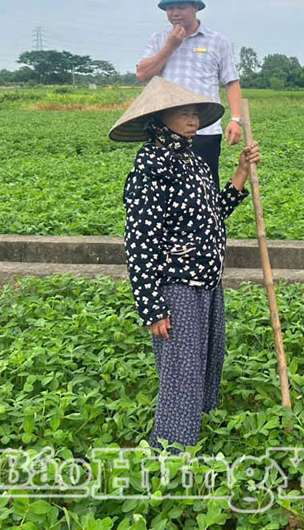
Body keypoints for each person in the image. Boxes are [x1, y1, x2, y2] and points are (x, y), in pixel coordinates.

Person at [108, 76, 261, 451]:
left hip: (207, 282)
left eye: (195, 113)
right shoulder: (150, 166)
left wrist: (240, 172)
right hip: (176, 287)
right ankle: (170, 456)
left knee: (207, 361)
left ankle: (196, 438)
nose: (193, 120)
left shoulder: (193, 162)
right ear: (159, 119)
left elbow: (212, 214)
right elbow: (140, 241)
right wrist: (151, 307)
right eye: (183, 114)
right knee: (182, 372)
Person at [136, 0, 243, 186]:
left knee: (205, 187)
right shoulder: (158, 39)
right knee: (164, 188)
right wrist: (170, 46)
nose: (175, 12)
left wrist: (236, 120)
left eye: (181, 7)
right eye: (170, 8)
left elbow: (231, 82)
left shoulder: (217, 41)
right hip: (166, 132)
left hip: (205, 131)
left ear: (196, 7)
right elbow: (142, 74)